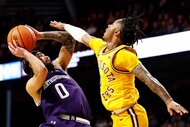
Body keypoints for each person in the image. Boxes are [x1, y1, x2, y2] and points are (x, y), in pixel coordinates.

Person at [49, 10, 189, 127]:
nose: (108, 25)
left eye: (112, 24)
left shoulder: (124, 55)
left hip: (131, 115)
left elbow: (148, 79)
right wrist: (65, 26)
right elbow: (83, 36)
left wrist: (168, 100)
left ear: (116, 32)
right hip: (117, 118)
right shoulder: (100, 47)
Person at [8, 29, 92, 127]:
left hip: (83, 123)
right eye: (40, 56)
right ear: (31, 64)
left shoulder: (59, 67)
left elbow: (69, 39)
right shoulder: (31, 85)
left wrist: (40, 35)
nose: (47, 56)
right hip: (58, 123)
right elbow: (42, 70)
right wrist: (25, 54)